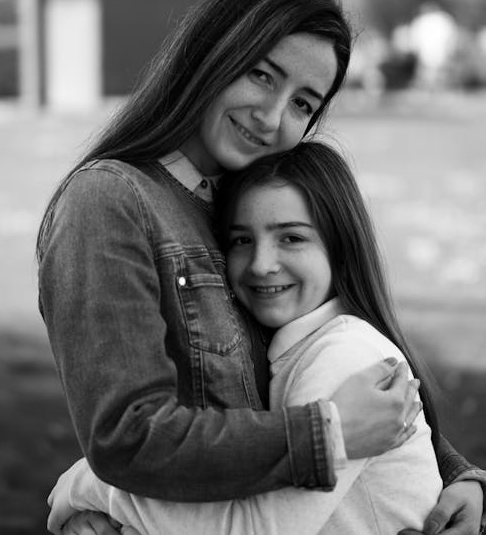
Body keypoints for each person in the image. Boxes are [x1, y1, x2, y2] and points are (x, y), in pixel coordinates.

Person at [37, 0, 486, 535]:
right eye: (260, 75)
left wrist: (456, 475)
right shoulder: (111, 202)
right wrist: (327, 438)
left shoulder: (243, 204)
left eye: (302, 103)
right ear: (210, 55)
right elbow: (128, 436)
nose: (273, 118)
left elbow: (330, 361)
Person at [47, 140, 446, 534]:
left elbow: (252, 528)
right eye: (242, 240)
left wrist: (92, 485)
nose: (261, 264)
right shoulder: (294, 346)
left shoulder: (344, 357)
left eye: (291, 237)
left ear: (340, 248)